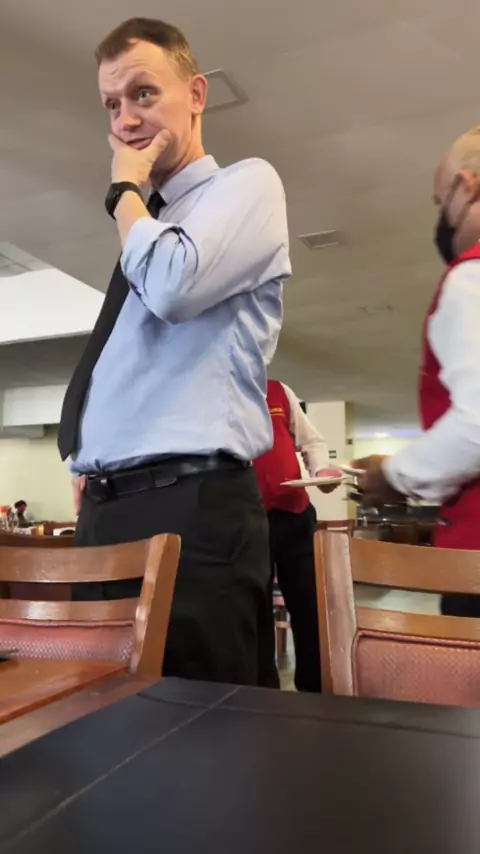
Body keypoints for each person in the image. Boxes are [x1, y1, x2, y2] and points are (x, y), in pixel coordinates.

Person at [57, 17, 291, 686]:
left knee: (206, 728)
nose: (126, 119)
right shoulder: (148, 229)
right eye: (111, 104)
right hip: (106, 513)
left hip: (191, 508)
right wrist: (88, 451)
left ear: (195, 94)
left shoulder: (245, 186)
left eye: (143, 93)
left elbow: (172, 287)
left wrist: (124, 191)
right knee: (100, 720)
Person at [353, 125, 480, 617]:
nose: (441, 219)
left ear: (467, 187)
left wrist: (392, 474)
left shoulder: (470, 277)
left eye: (439, 202)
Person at [253, 380, 341, 691]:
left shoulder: (278, 391)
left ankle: (316, 690)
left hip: (295, 513)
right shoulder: (216, 390)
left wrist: (321, 470)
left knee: (310, 605)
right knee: (254, 611)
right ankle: (262, 694)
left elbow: (311, 441)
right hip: (247, 519)